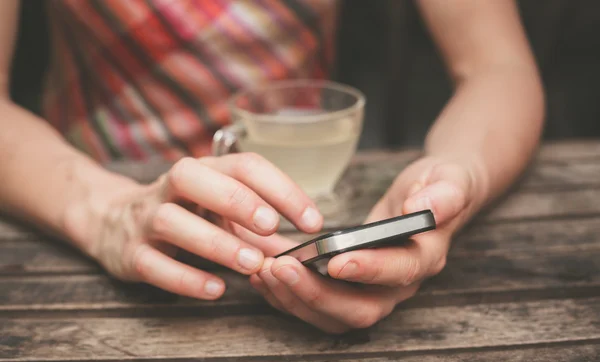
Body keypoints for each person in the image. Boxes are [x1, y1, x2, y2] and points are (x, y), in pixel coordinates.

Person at [0, 0, 544, 333]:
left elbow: (498, 68)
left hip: (309, 205)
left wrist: (457, 174)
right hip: (78, 179)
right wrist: (106, 210)